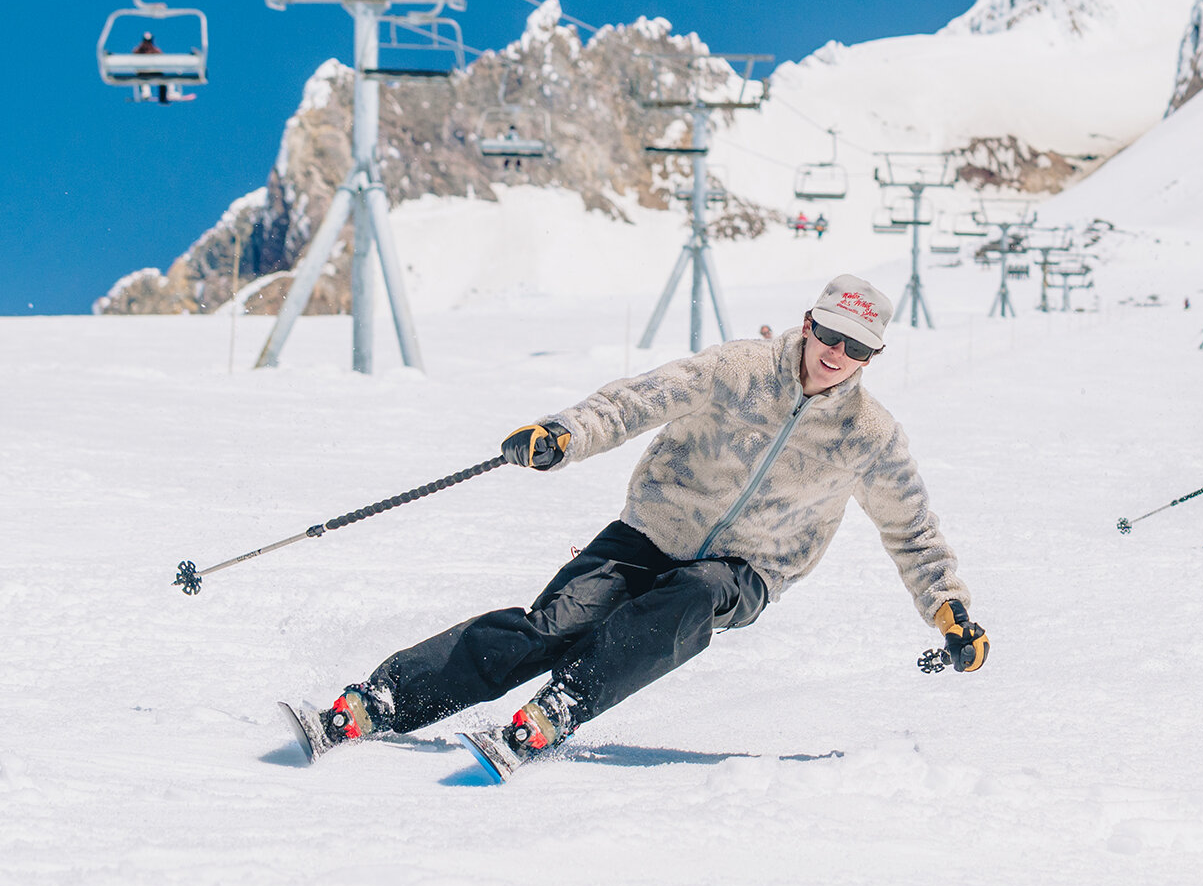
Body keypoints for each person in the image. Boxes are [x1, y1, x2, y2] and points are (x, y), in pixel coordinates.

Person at [280, 275, 988, 781]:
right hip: (650, 531)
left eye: (856, 347)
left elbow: (913, 531)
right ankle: (381, 702)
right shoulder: (737, 370)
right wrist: (563, 433)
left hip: (746, 571)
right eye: (830, 334)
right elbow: (639, 400)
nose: (836, 354)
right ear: (809, 323)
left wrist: (948, 610)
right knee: (551, 625)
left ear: (872, 358)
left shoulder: (870, 435)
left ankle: (562, 708)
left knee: (690, 598)